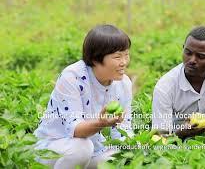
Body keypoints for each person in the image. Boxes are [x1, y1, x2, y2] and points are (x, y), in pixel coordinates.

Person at [34, 24, 134, 168]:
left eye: (126, 54)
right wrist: (102, 123)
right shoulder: (73, 77)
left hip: (94, 149)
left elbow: (123, 130)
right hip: (53, 147)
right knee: (81, 148)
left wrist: (137, 148)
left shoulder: (124, 84)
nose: (124, 62)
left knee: (121, 155)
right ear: (95, 59)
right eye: (117, 57)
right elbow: (75, 130)